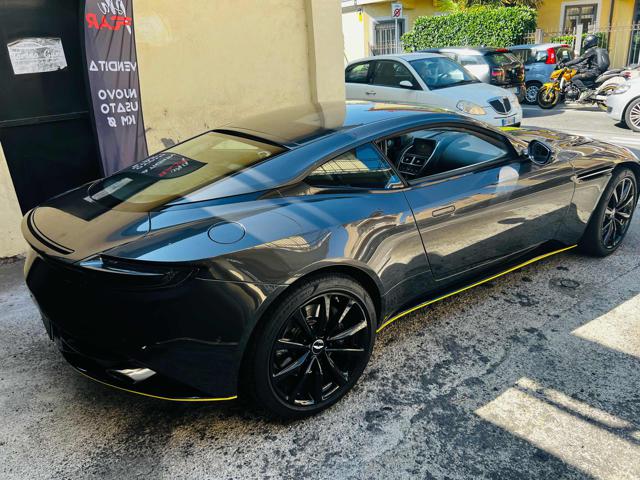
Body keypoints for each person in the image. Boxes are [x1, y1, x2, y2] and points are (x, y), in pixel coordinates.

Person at [560, 34, 610, 99]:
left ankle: (586, 91)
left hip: (594, 72)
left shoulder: (592, 50)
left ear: (589, 42)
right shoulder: (601, 50)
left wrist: (566, 64)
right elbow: (586, 61)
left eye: (586, 42)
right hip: (600, 72)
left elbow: (580, 59)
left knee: (574, 78)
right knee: (582, 73)